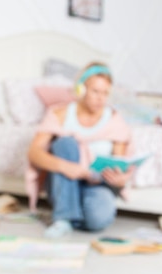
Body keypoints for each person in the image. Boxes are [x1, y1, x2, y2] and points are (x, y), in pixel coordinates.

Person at [26, 62, 133, 238]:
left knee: (99, 219)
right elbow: (34, 153)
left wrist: (120, 180)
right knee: (65, 143)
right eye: (95, 91)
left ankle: (71, 209)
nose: (101, 98)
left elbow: (119, 163)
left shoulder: (114, 120)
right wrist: (65, 167)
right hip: (64, 181)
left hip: (96, 184)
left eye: (105, 93)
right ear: (81, 90)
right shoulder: (60, 114)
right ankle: (64, 217)